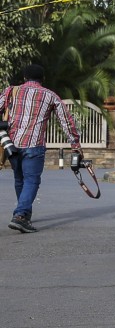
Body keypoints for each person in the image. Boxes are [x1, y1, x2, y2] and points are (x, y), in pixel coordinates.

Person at [0, 64, 82, 233]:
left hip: (12, 145)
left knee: (19, 179)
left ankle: (24, 214)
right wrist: (75, 145)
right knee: (31, 180)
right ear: (42, 79)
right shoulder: (50, 95)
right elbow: (66, 121)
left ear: (24, 78)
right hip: (34, 145)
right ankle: (20, 216)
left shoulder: (10, 91)